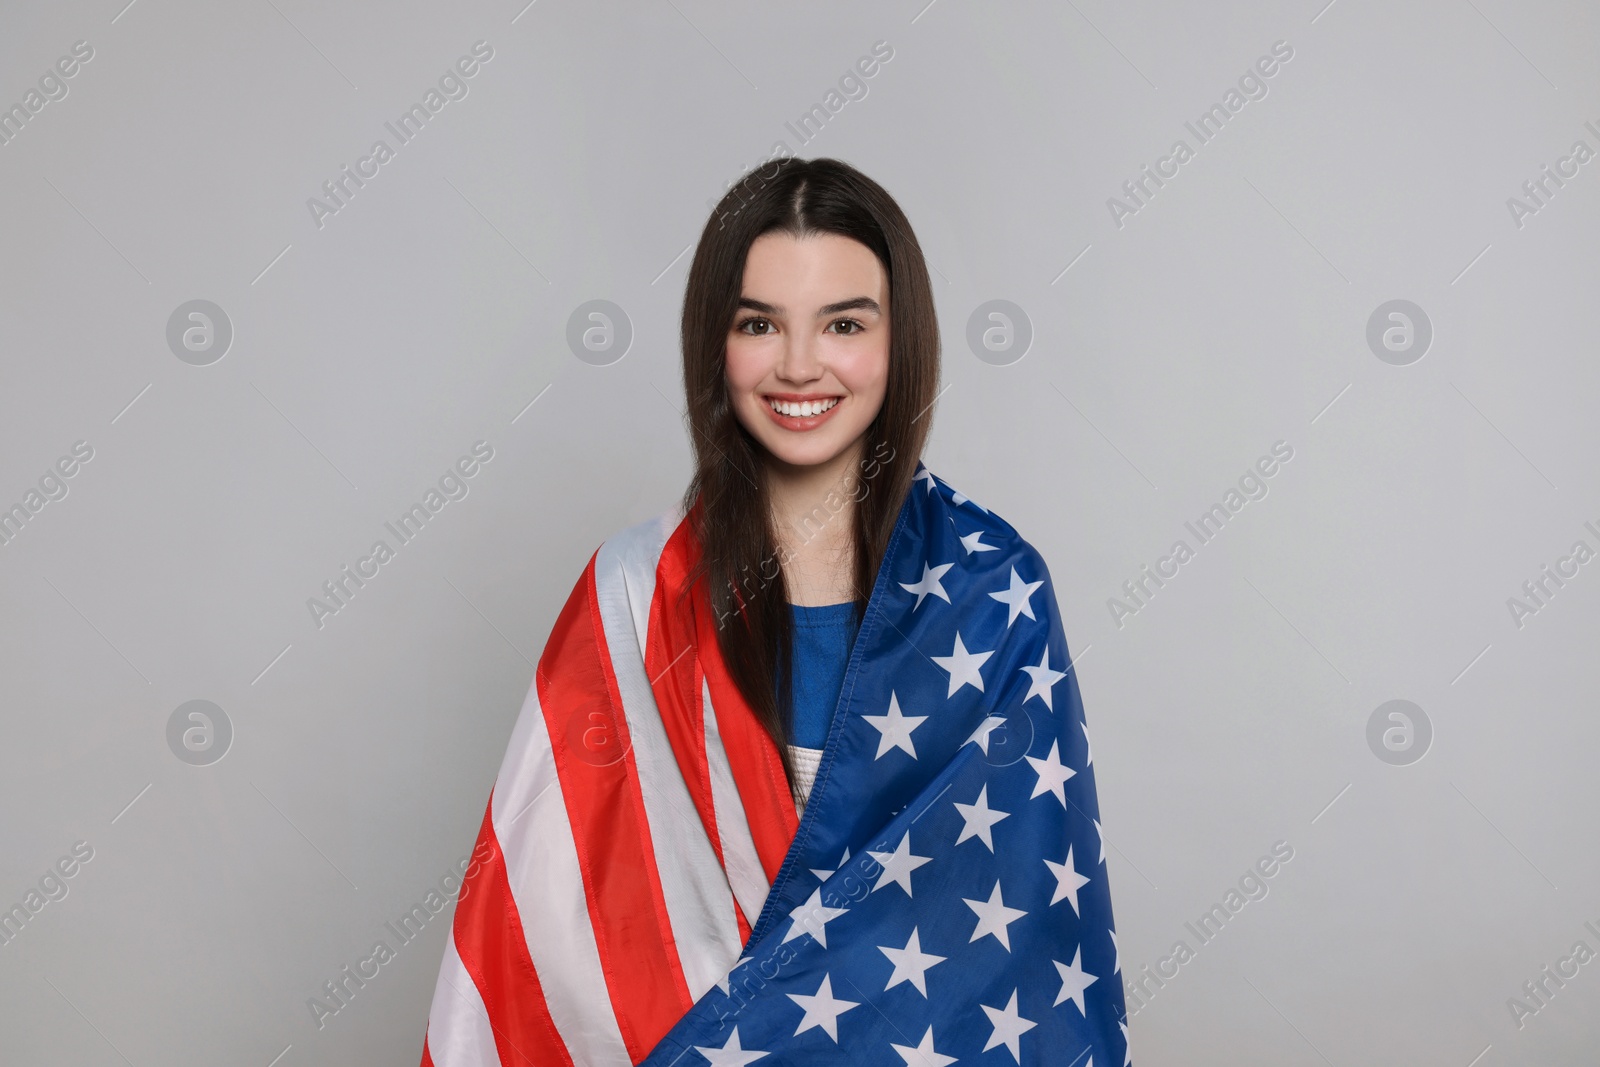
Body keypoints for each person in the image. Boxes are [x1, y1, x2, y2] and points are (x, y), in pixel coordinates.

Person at [419, 157, 1128, 1066]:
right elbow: (545, 927)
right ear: (714, 341)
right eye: (760, 323)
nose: (800, 364)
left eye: (843, 323)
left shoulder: (994, 591)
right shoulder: (632, 593)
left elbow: (1019, 940)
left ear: (898, 341)